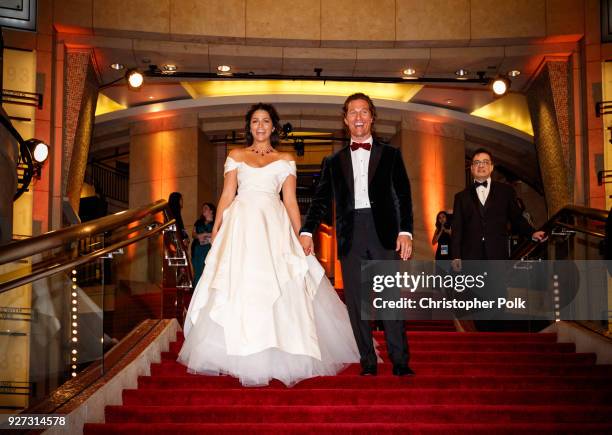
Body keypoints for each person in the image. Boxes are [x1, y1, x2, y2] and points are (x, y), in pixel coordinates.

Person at [178, 103, 359, 387]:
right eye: (254, 121)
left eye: (265, 121)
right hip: (242, 225)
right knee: (243, 283)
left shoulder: (286, 159)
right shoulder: (236, 155)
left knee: (280, 283)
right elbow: (227, 195)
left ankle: (281, 349)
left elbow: (289, 201)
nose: (260, 126)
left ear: (273, 127)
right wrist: (216, 230)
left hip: (274, 225)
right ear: (248, 126)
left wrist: (303, 234)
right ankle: (240, 351)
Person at [299, 93, 414, 377]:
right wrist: (306, 230)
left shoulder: (391, 155)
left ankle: (400, 361)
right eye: (353, 112)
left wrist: (406, 231)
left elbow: (403, 195)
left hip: (384, 232)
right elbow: (320, 201)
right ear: (345, 119)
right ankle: (368, 362)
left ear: (372, 117)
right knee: (357, 302)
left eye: (364, 112)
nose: (359, 117)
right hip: (351, 235)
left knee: (389, 299)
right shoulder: (333, 160)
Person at [451, 148, 546, 267]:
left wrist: (532, 233)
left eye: (485, 162)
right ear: (471, 168)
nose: (481, 165)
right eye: (477, 162)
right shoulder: (461, 197)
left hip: (497, 255)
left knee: (496, 286)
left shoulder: (506, 192)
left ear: (491, 167)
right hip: (470, 257)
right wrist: (455, 256)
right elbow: (457, 230)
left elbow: (517, 218)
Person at [191, 202, 216, 285]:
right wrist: (198, 236)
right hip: (198, 249)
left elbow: (218, 234)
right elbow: (193, 234)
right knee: (197, 271)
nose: (203, 209)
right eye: (203, 208)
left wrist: (206, 234)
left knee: (207, 272)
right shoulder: (198, 222)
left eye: (206, 208)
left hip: (209, 249)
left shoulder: (216, 222)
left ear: (211, 210)